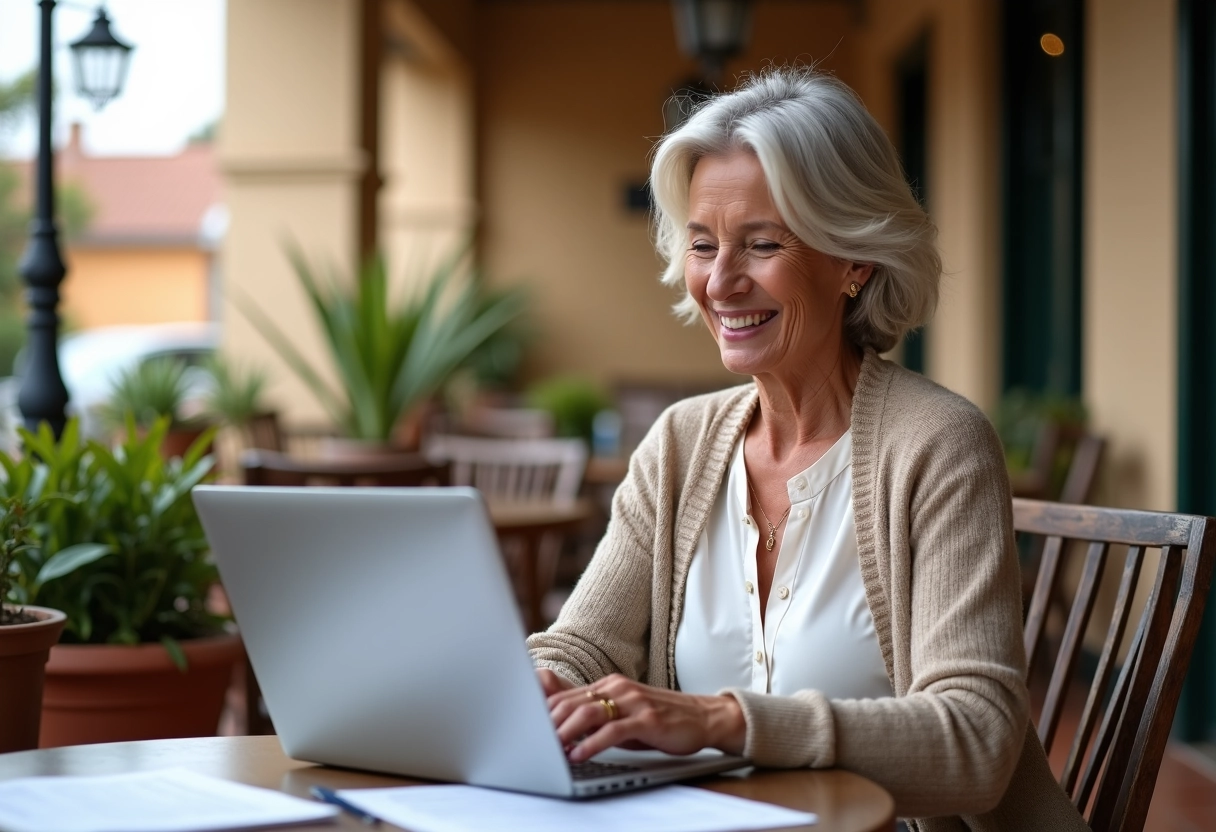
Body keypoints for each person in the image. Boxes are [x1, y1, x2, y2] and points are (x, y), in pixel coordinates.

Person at [526, 68, 1087, 831]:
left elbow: (978, 740)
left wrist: (724, 720)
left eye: (761, 244)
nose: (720, 282)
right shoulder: (680, 446)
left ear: (854, 260)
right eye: (701, 244)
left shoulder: (939, 445)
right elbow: (585, 644)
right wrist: (534, 683)